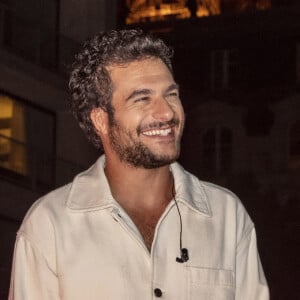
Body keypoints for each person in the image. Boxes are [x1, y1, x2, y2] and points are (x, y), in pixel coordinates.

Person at [9, 29, 269, 299]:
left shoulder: (226, 215)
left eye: (171, 94)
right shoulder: (50, 224)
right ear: (101, 120)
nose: (167, 112)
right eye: (142, 99)